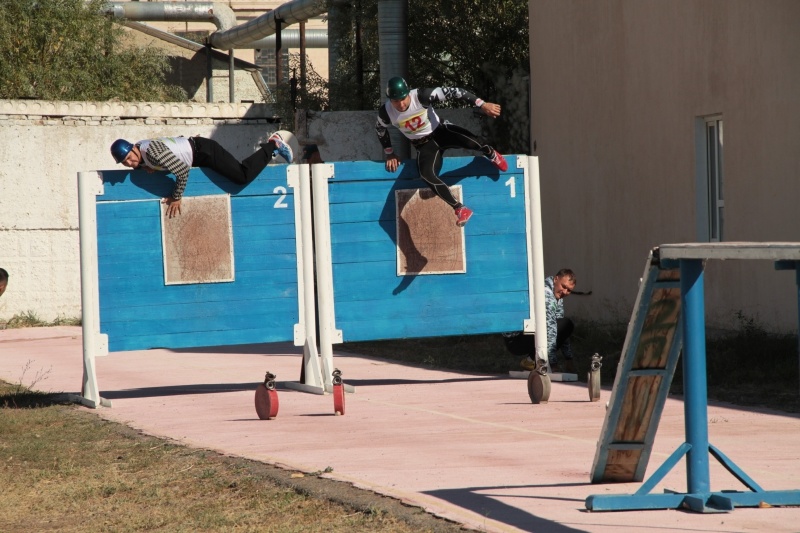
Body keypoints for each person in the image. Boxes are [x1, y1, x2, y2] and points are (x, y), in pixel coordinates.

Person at [375, 76, 508, 227]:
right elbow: (380, 129)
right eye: (395, 100)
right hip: (424, 146)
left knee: (472, 142)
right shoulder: (386, 112)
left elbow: (456, 92)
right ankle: (460, 209)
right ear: (389, 99)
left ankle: (490, 153)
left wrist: (482, 104)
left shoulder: (421, 95)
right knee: (426, 175)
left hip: (441, 132)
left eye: (403, 98)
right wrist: (389, 153)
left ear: (408, 93)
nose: (400, 104)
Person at [110, 132, 294, 218]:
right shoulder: (142, 150)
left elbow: (182, 171)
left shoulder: (150, 153)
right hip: (197, 150)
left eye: (128, 158)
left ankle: (273, 145)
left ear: (133, 148)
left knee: (241, 176)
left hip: (204, 152)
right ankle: (271, 150)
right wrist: (147, 166)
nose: (128, 163)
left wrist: (176, 197)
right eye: (124, 162)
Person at [504, 269, 577, 373]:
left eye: (569, 290)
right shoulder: (545, 293)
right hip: (515, 339)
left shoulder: (557, 295)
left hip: (528, 335)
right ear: (556, 279)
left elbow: (561, 331)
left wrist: (569, 358)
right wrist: (553, 364)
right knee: (565, 324)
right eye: (563, 286)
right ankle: (537, 361)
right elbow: (551, 330)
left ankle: (530, 361)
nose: (565, 292)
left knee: (565, 325)